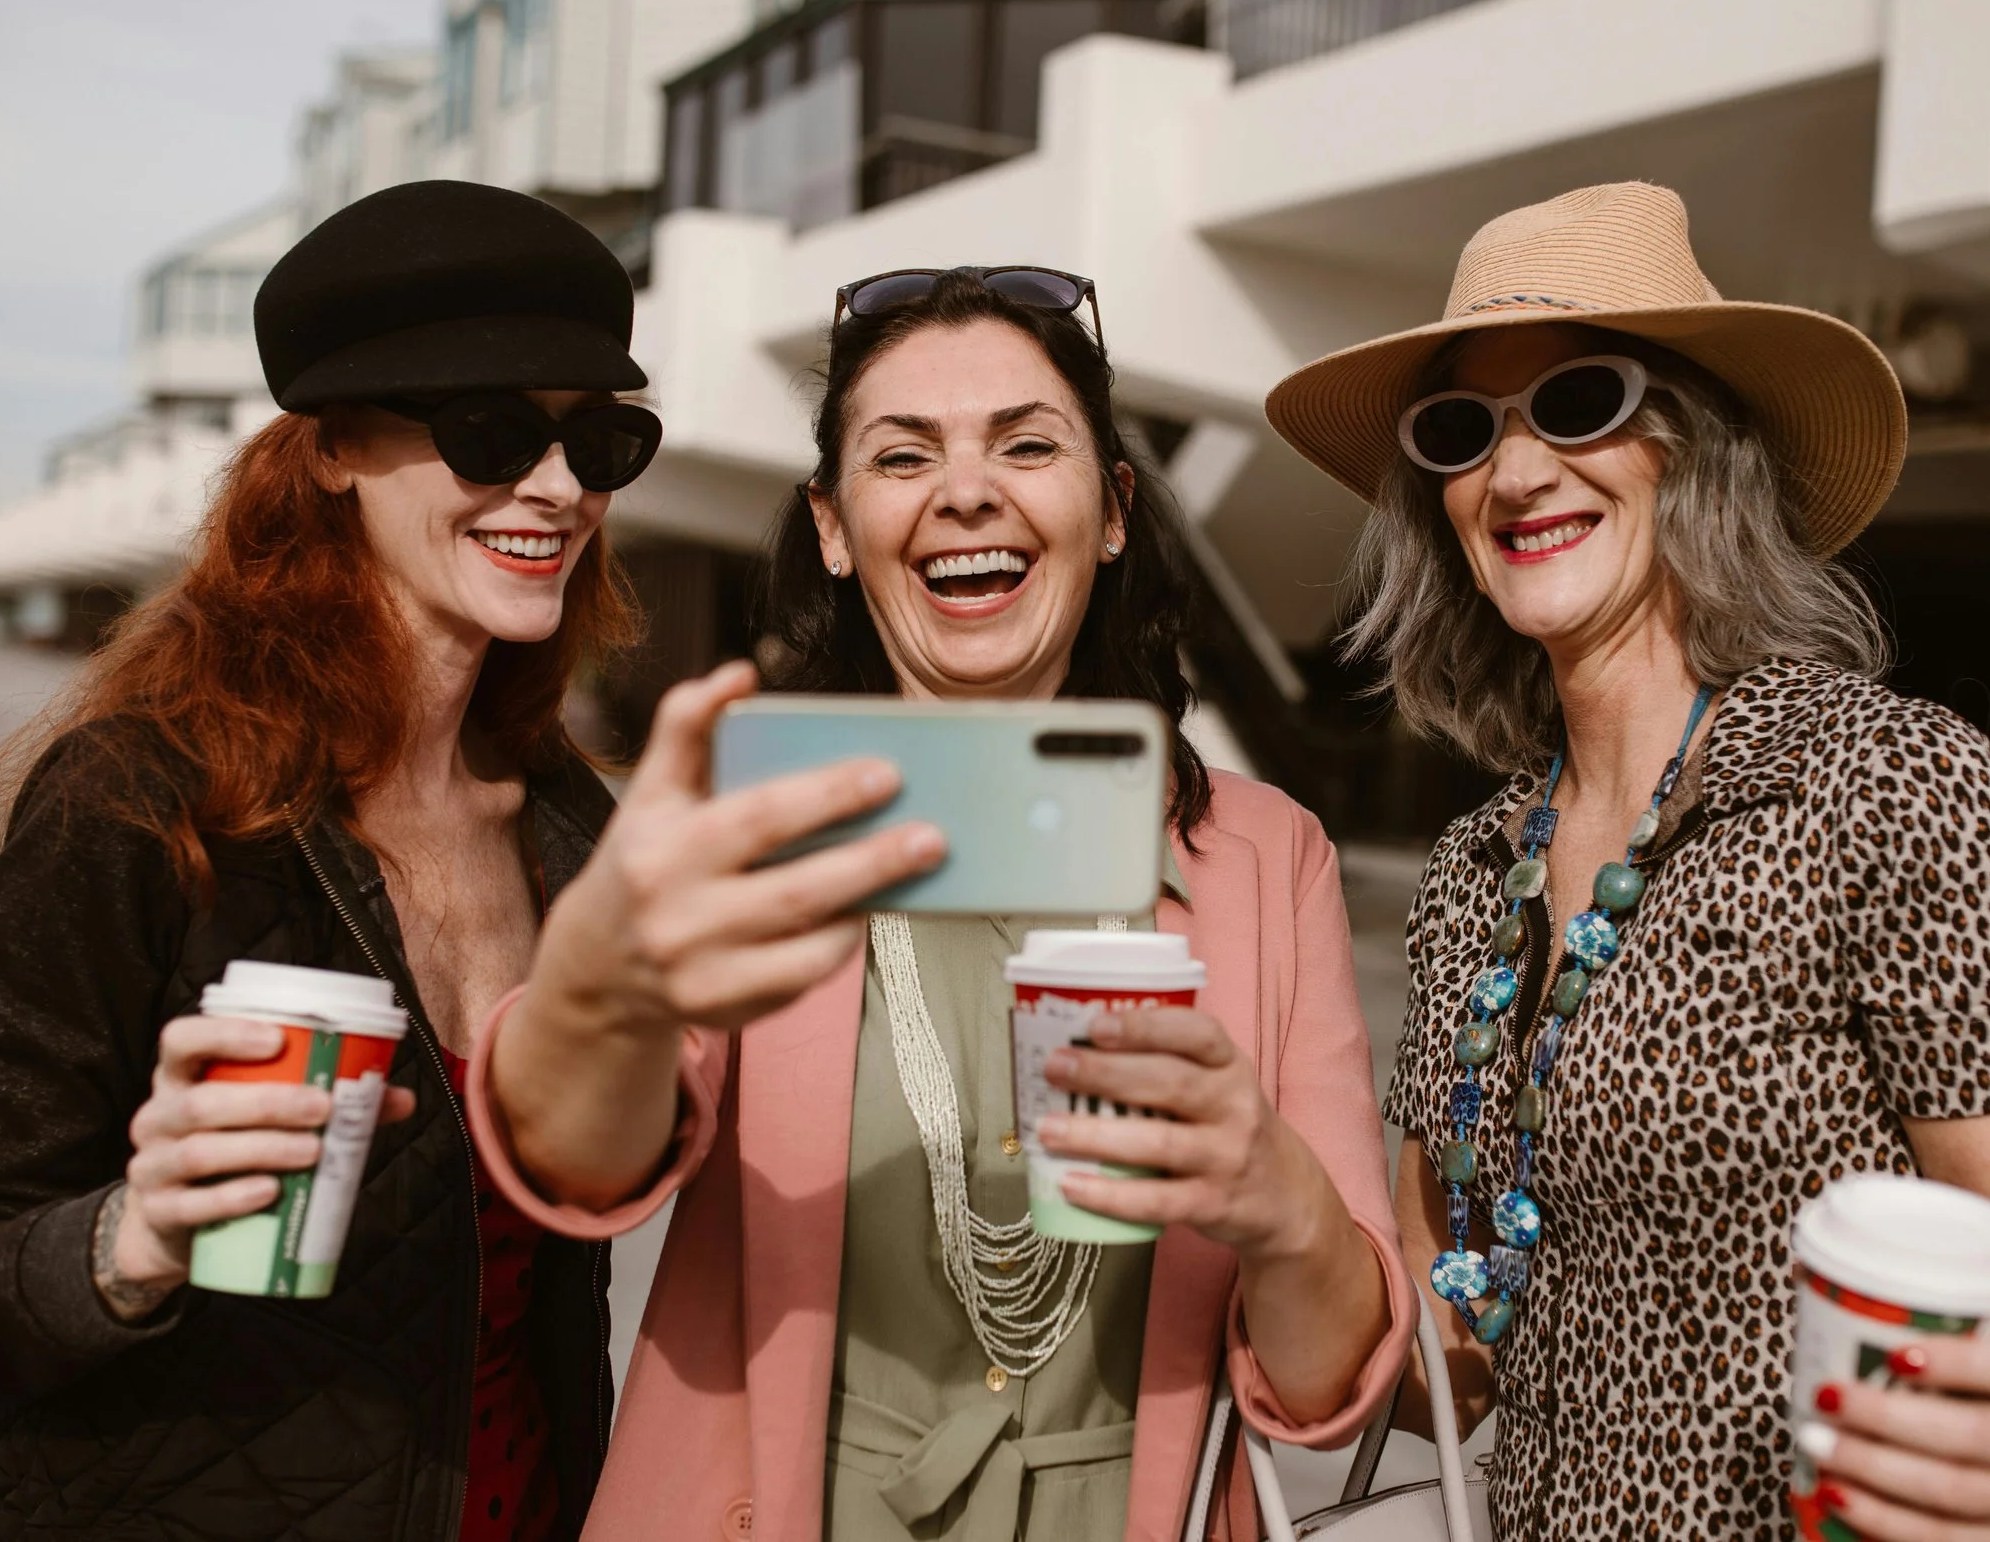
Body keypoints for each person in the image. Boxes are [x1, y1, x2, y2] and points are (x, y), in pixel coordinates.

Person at [462, 267, 1415, 1541]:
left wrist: (1276, 1195)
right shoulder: (754, 821)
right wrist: (602, 980)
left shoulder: (1266, 855)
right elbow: (582, 1167)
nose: (969, 490)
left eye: (1027, 443)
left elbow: (1328, 1393)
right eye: (903, 455)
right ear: (836, 527)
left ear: (1114, 510)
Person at [1264, 183, 1990, 1540]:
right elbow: (1454, 1353)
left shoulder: (1897, 790)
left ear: (1701, 447)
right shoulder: (1471, 873)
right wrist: (1254, 1197)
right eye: (1461, 430)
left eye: (1580, 403)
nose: (1514, 473)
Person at [0, 179, 761, 1542]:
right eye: (491, 430)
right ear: (335, 445)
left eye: (603, 440)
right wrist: (134, 1233)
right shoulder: (140, 796)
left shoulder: (572, 824)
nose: (560, 485)